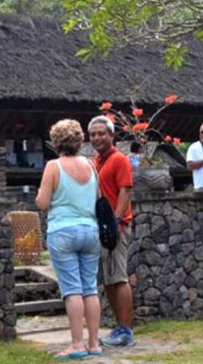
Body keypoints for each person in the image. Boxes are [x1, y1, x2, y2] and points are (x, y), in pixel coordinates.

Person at [37, 120, 102, 359]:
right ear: (79, 141)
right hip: (90, 230)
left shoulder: (53, 166)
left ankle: (77, 344)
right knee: (90, 288)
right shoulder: (91, 165)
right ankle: (94, 342)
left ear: (55, 143)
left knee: (72, 289)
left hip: (63, 230)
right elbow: (97, 196)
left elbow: (42, 203)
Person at [87, 116, 136, 347]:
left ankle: (126, 330)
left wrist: (116, 221)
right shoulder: (97, 161)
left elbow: (125, 191)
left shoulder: (119, 160)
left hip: (116, 225)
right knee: (108, 280)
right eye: (93, 134)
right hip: (103, 226)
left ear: (111, 135)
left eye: (101, 133)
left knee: (118, 277)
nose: (97, 138)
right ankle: (119, 328)